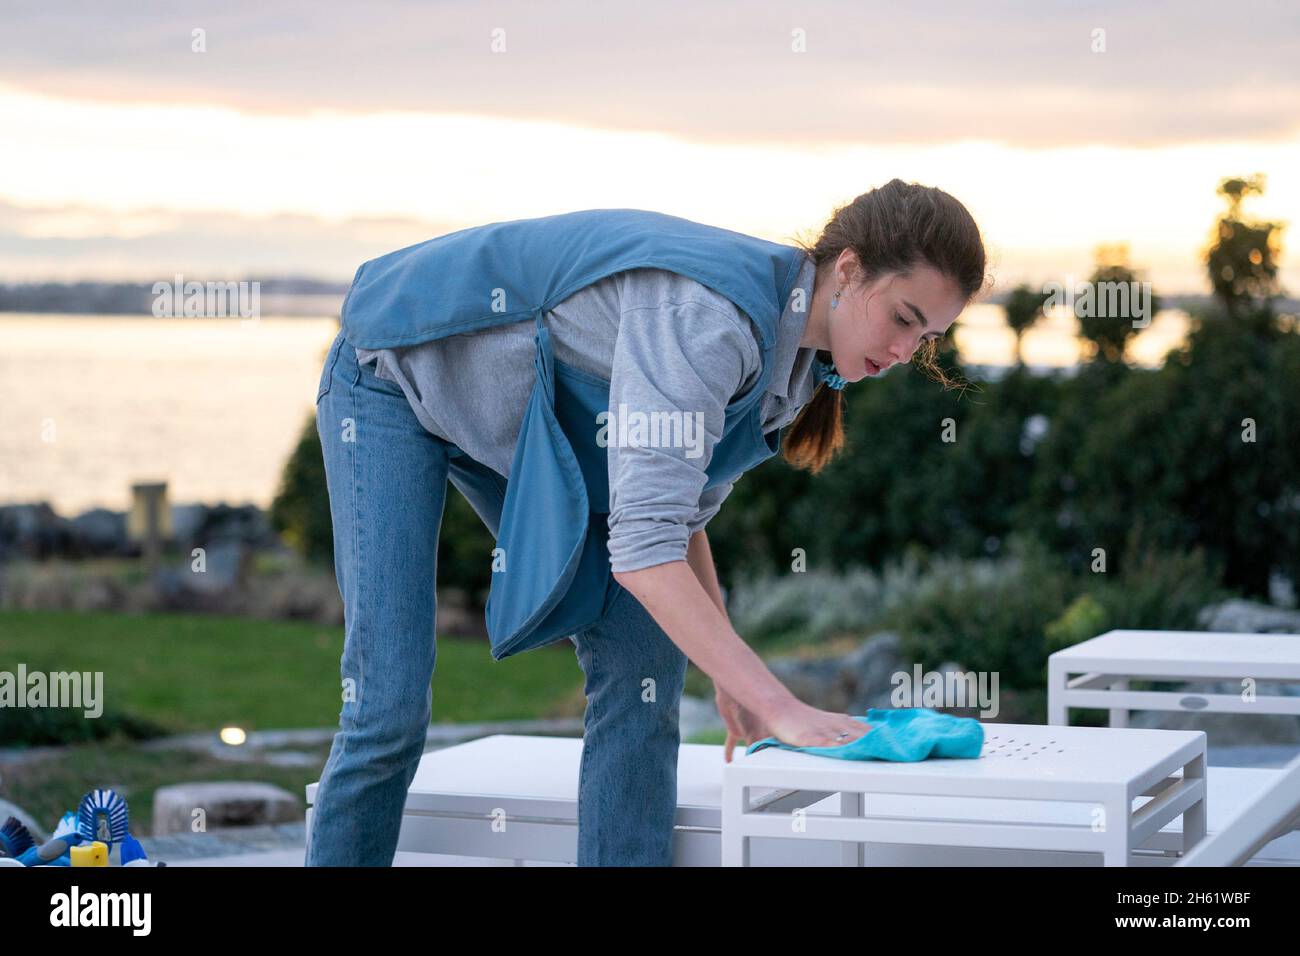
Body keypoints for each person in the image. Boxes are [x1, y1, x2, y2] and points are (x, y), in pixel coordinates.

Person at [305, 178, 988, 866]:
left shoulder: (801, 371)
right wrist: (778, 704)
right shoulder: (709, 320)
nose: (906, 353)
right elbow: (642, 554)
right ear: (849, 269)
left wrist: (729, 680)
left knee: (644, 677)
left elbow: (676, 516)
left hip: (516, 418)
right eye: (903, 318)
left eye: (926, 338)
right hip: (391, 379)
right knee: (387, 707)